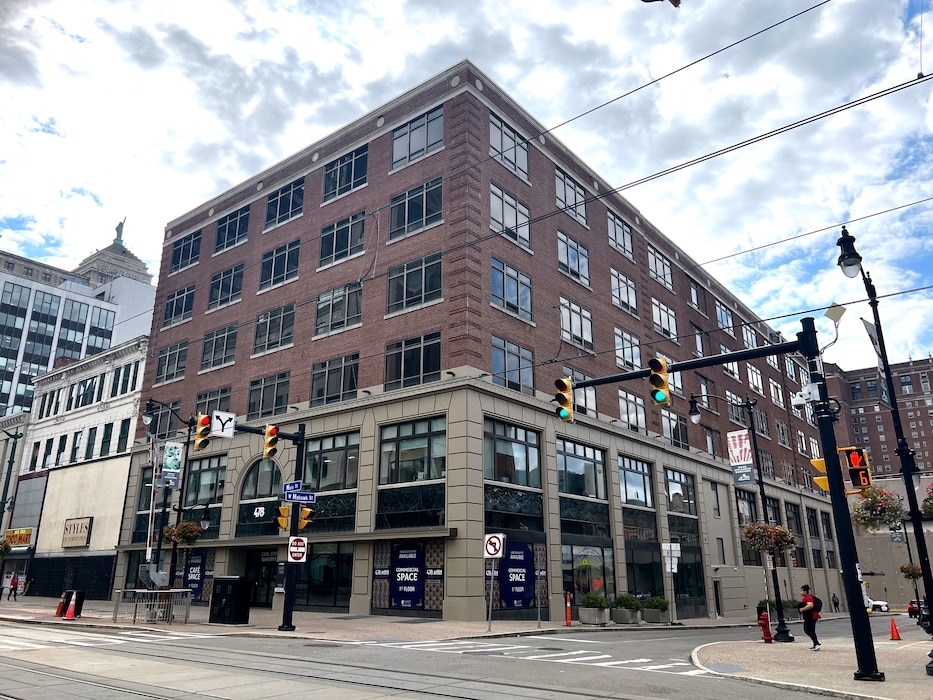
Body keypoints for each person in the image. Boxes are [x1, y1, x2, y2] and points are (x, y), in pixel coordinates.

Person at [799, 584, 821, 650]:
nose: (800, 592)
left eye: (801, 591)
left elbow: (810, 605)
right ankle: (815, 643)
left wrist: (802, 609)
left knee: (808, 630)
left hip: (811, 616)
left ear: (805, 591)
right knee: (810, 630)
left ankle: (816, 643)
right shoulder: (806, 598)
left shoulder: (808, 597)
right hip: (811, 616)